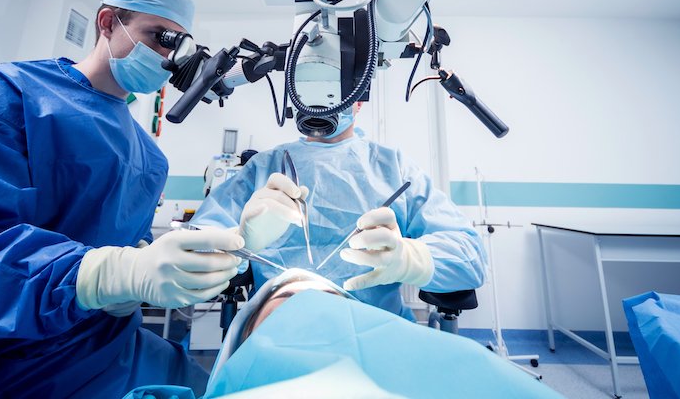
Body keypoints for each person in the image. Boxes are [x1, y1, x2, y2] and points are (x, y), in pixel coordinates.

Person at [0, 0, 243, 398]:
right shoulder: (7, 95)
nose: (166, 57)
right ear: (106, 22)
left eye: (178, 45)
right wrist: (103, 276)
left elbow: (125, 247)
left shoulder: (150, 157)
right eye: (158, 37)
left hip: (100, 344)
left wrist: (138, 276)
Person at [191, 103, 486, 319]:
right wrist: (239, 243)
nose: (323, 99)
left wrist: (413, 259)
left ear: (359, 99)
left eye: (336, 88)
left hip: (376, 335)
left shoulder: (393, 168)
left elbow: (469, 258)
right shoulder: (263, 169)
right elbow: (194, 252)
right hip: (276, 330)